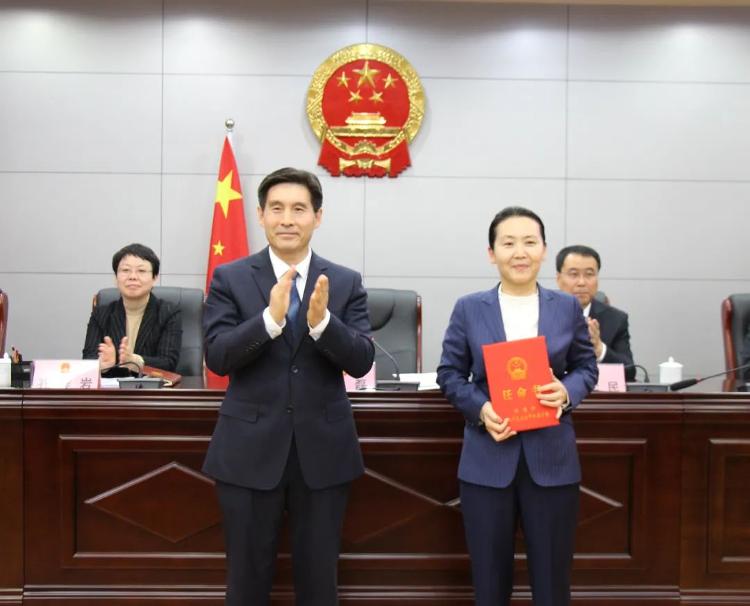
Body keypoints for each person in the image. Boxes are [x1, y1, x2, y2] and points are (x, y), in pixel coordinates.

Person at [202, 167, 374, 606]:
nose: (287, 219)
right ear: (260, 215)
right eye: (276, 209)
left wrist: (323, 323)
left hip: (323, 452)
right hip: (248, 451)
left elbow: (361, 360)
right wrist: (268, 320)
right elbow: (217, 356)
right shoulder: (229, 277)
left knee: (319, 584)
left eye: (299, 209)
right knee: (246, 583)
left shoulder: (345, 281)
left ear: (318, 217)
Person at [437, 207, 598, 606]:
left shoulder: (566, 307)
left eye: (529, 242)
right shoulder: (469, 308)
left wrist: (566, 392)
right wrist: (481, 410)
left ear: (544, 250)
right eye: (508, 243)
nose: (520, 252)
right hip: (487, 460)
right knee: (490, 584)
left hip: (552, 461)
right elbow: (450, 374)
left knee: (552, 583)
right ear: (492, 253)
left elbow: (586, 368)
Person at [83, 243, 181, 374]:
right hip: (112, 386)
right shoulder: (101, 314)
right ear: (115, 277)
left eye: (141, 271)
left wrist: (135, 361)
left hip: (150, 386)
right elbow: (88, 359)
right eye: (125, 270)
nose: (132, 276)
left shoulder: (168, 313)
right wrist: (102, 364)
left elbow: (168, 362)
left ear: (154, 278)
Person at [556, 244, 636, 381]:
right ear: (559, 279)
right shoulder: (540, 312)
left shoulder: (616, 319)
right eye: (574, 274)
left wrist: (599, 349)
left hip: (595, 393)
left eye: (589, 274)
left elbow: (629, 372)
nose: (582, 282)